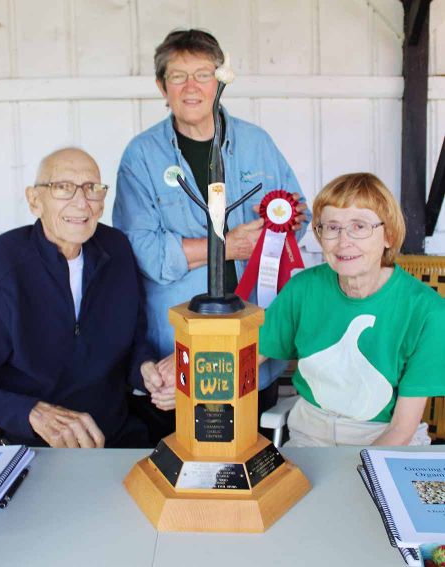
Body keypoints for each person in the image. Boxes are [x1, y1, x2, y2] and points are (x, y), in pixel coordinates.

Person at [113, 29, 311, 431]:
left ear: (220, 81)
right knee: (180, 464)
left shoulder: (257, 143)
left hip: (254, 348)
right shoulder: (141, 156)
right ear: (160, 86)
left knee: (246, 461)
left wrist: (276, 233)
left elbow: (298, 215)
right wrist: (229, 246)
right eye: (178, 75)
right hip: (175, 354)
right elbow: (142, 250)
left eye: (203, 74)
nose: (191, 87)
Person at [0, 148, 166, 448]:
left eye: (92, 189)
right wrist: (30, 413)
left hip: (115, 437)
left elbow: (134, 342)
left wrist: (146, 370)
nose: (81, 202)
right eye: (63, 188)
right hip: (28, 446)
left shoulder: (117, 251)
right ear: (35, 201)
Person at [259, 173, 445, 446]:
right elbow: (248, 356)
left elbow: (402, 429)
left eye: (359, 226)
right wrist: (187, 376)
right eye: (332, 227)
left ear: (389, 236)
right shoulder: (303, 289)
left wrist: (361, 473)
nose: (343, 241)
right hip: (308, 434)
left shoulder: (428, 312)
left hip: (386, 436)